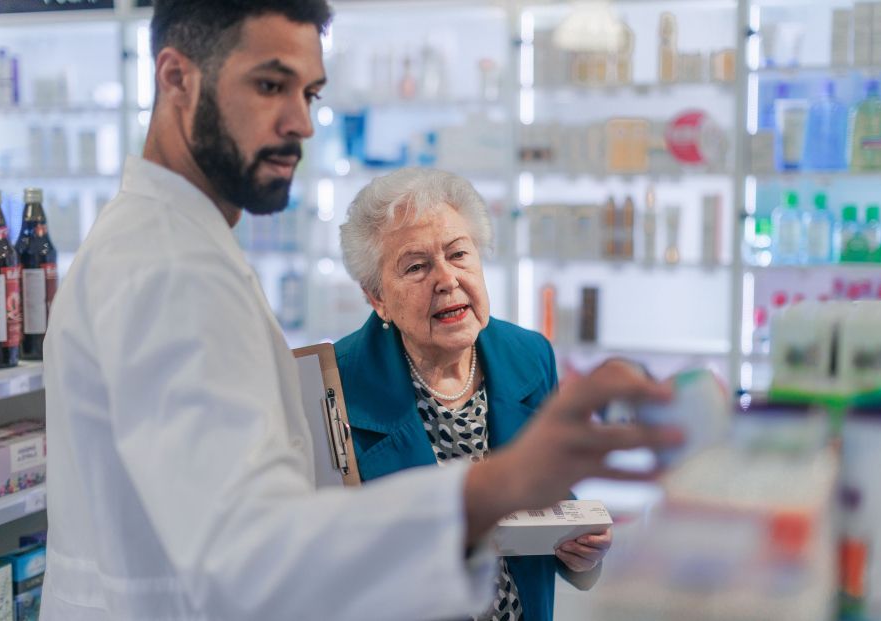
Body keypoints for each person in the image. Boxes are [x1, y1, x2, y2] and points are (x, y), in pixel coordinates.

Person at [41, 1, 680, 619]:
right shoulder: (171, 270)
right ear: (177, 77)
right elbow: (248, 557)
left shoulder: (163, 242)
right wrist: (498, 486)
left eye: (309, 94)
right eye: (270, 85)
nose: (302, 122)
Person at [336, 167, 607, 621]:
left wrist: (583, 551)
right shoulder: (337, 384)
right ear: (377, 298)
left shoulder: (529, 355)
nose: (447, 279)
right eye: (417, 266)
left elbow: (548, 490)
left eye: (458, 254)